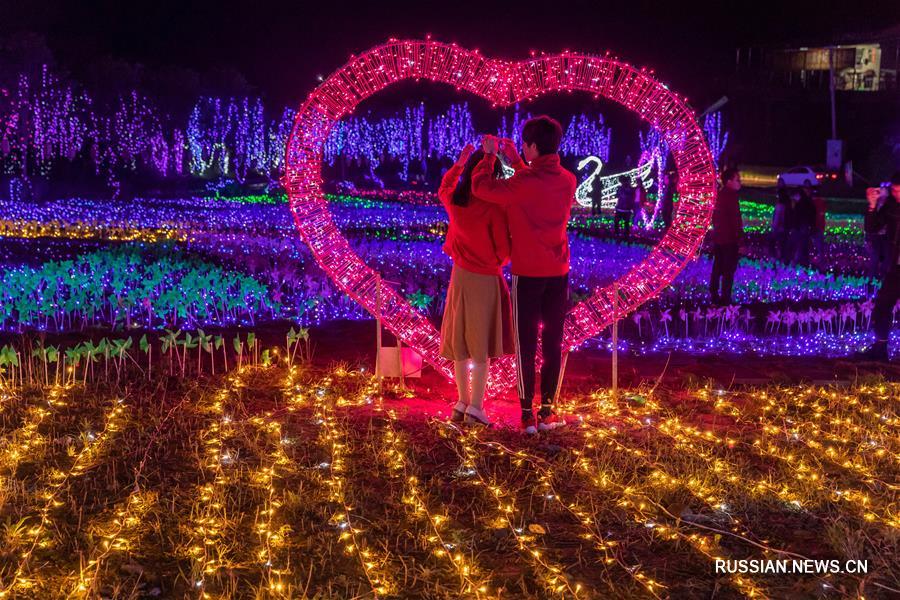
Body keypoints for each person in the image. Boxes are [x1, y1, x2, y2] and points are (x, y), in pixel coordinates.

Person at [472, 116, 577, 434]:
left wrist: (489, 157)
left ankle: (526, 413)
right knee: (553, 342)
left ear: (532, 146)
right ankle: (547, 411)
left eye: (525, 145)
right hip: (558, 272)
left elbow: (482, 188)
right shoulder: (568, 180)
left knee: (526, 344)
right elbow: (536, 182)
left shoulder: (522, 183)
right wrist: (518, 161)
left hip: (527, 273)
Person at [438, 144, 514, 425]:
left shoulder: (456, 201)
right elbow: (504, 250)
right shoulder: (493, 207)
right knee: (480, 348)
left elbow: (443, 188)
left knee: (461, 344)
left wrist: (458, 165)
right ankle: (477, 408)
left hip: (459, 277)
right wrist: (495, 260)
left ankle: (462, 402)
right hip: (485, 278)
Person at [858, 172, 900, 361]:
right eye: (894, 190)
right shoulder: (891, 206)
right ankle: (880, 348)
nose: (897, 194)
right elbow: (872, 228)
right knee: (882, 306)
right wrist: (873, 205)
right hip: (896, 267)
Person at [709, 167, 744, 305]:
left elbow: (714, 217)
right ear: (729, 181)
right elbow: (735, 220)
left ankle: (714, 294)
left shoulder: (720, 194)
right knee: (728, 270)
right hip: (729, 240)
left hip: (719, 239)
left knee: (718, 267)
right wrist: (740, 242)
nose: (740, 182)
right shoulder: (731, 196)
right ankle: (725, 299)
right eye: (737, 180)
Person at [790, 187, 816, 267]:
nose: (794, 198)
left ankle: (799, 262)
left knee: (800, 244)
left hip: (801, 227)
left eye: (794, 196)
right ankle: (804, 262)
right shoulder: (805, 202)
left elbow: (799, 216)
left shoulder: (802, 203)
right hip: (803, 227)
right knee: (803, 245)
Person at [807, 182, 827, 263]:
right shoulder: (822, 202)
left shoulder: (811, 202)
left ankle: (813, 259)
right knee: (819, 244)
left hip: (814, 226)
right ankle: (820, 259)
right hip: (820, 226)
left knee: (813, 243)